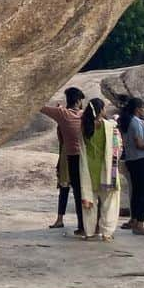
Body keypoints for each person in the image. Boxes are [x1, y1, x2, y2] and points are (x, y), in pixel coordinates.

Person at [41, 88, 87, 234]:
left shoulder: (62, 114)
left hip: (68, 155)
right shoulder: (85, 115)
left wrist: (58, 109)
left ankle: (62, 219)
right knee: (82, 191)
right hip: (84, 157)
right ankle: (85, 224)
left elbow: (40, 107)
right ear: (79, 101)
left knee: (65, 188)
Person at [118, 97, 144, 236]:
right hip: (139, 159)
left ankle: (136, 221)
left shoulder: (129, 121)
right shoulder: (135, 122)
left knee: (137, 192)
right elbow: (139, 144)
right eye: (143, 107)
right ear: (137, 109)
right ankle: (140, 223)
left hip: (132, 160)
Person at [82, 99, 123, 241]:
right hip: (107, 169)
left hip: (89, 169)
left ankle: (89, 232)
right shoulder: (110, 126)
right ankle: (106, 233)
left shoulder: (83, 127)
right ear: (100, 110)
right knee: (110, 202)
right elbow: (118, 148)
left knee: (89, 202)